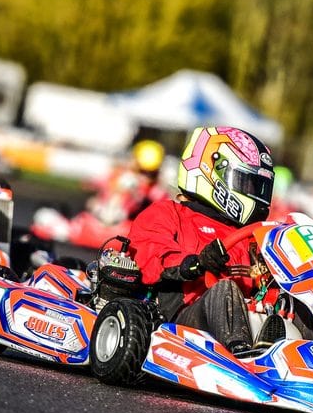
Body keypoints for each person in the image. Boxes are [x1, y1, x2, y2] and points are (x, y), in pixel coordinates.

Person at [127, 125, 285, 355]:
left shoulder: (254, 236)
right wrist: (196, 263)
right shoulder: (169, 213)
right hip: (180, 319)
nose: (256, 195)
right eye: (249, 184)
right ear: (213, 172)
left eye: (260, 187)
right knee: (225, 289)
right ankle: (241, 355)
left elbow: (265, 284)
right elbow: (150, 257)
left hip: (249, 317)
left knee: (300, 303)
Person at [86, 138, 170, 226]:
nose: (144, 177)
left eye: (149, 173)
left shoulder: (156, 191)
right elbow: (92, 184)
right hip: (100, 222)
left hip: (129, 228)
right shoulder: (117, 175)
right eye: (141, 171)